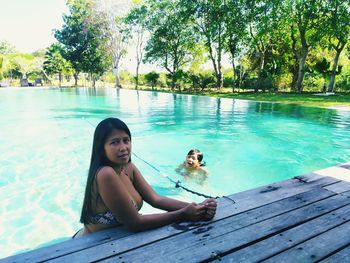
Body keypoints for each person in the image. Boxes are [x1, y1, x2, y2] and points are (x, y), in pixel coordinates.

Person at [74, 118, 217, 237]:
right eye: (114, 142)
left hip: (119, 241)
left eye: (126, 140)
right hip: (92, 246)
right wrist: (184, 213)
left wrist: (198, 208)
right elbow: (135, 223)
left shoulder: (128, 168)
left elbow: (156, 199)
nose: (123, 147)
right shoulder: (105, 174)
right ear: (101, 147)